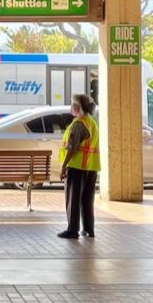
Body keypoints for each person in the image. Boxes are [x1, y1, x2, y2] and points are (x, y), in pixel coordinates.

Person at [57, 93, 100, 239]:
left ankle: (72, 229)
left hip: (76, 167)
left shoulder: (78, 124)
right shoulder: (92, 122)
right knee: (87, 200)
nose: (71, 107)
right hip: (91, 167)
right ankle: (89, 229)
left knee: (73, 199)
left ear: (77, 107)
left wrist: (63, 167)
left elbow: (71, 148)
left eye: (72, 104)